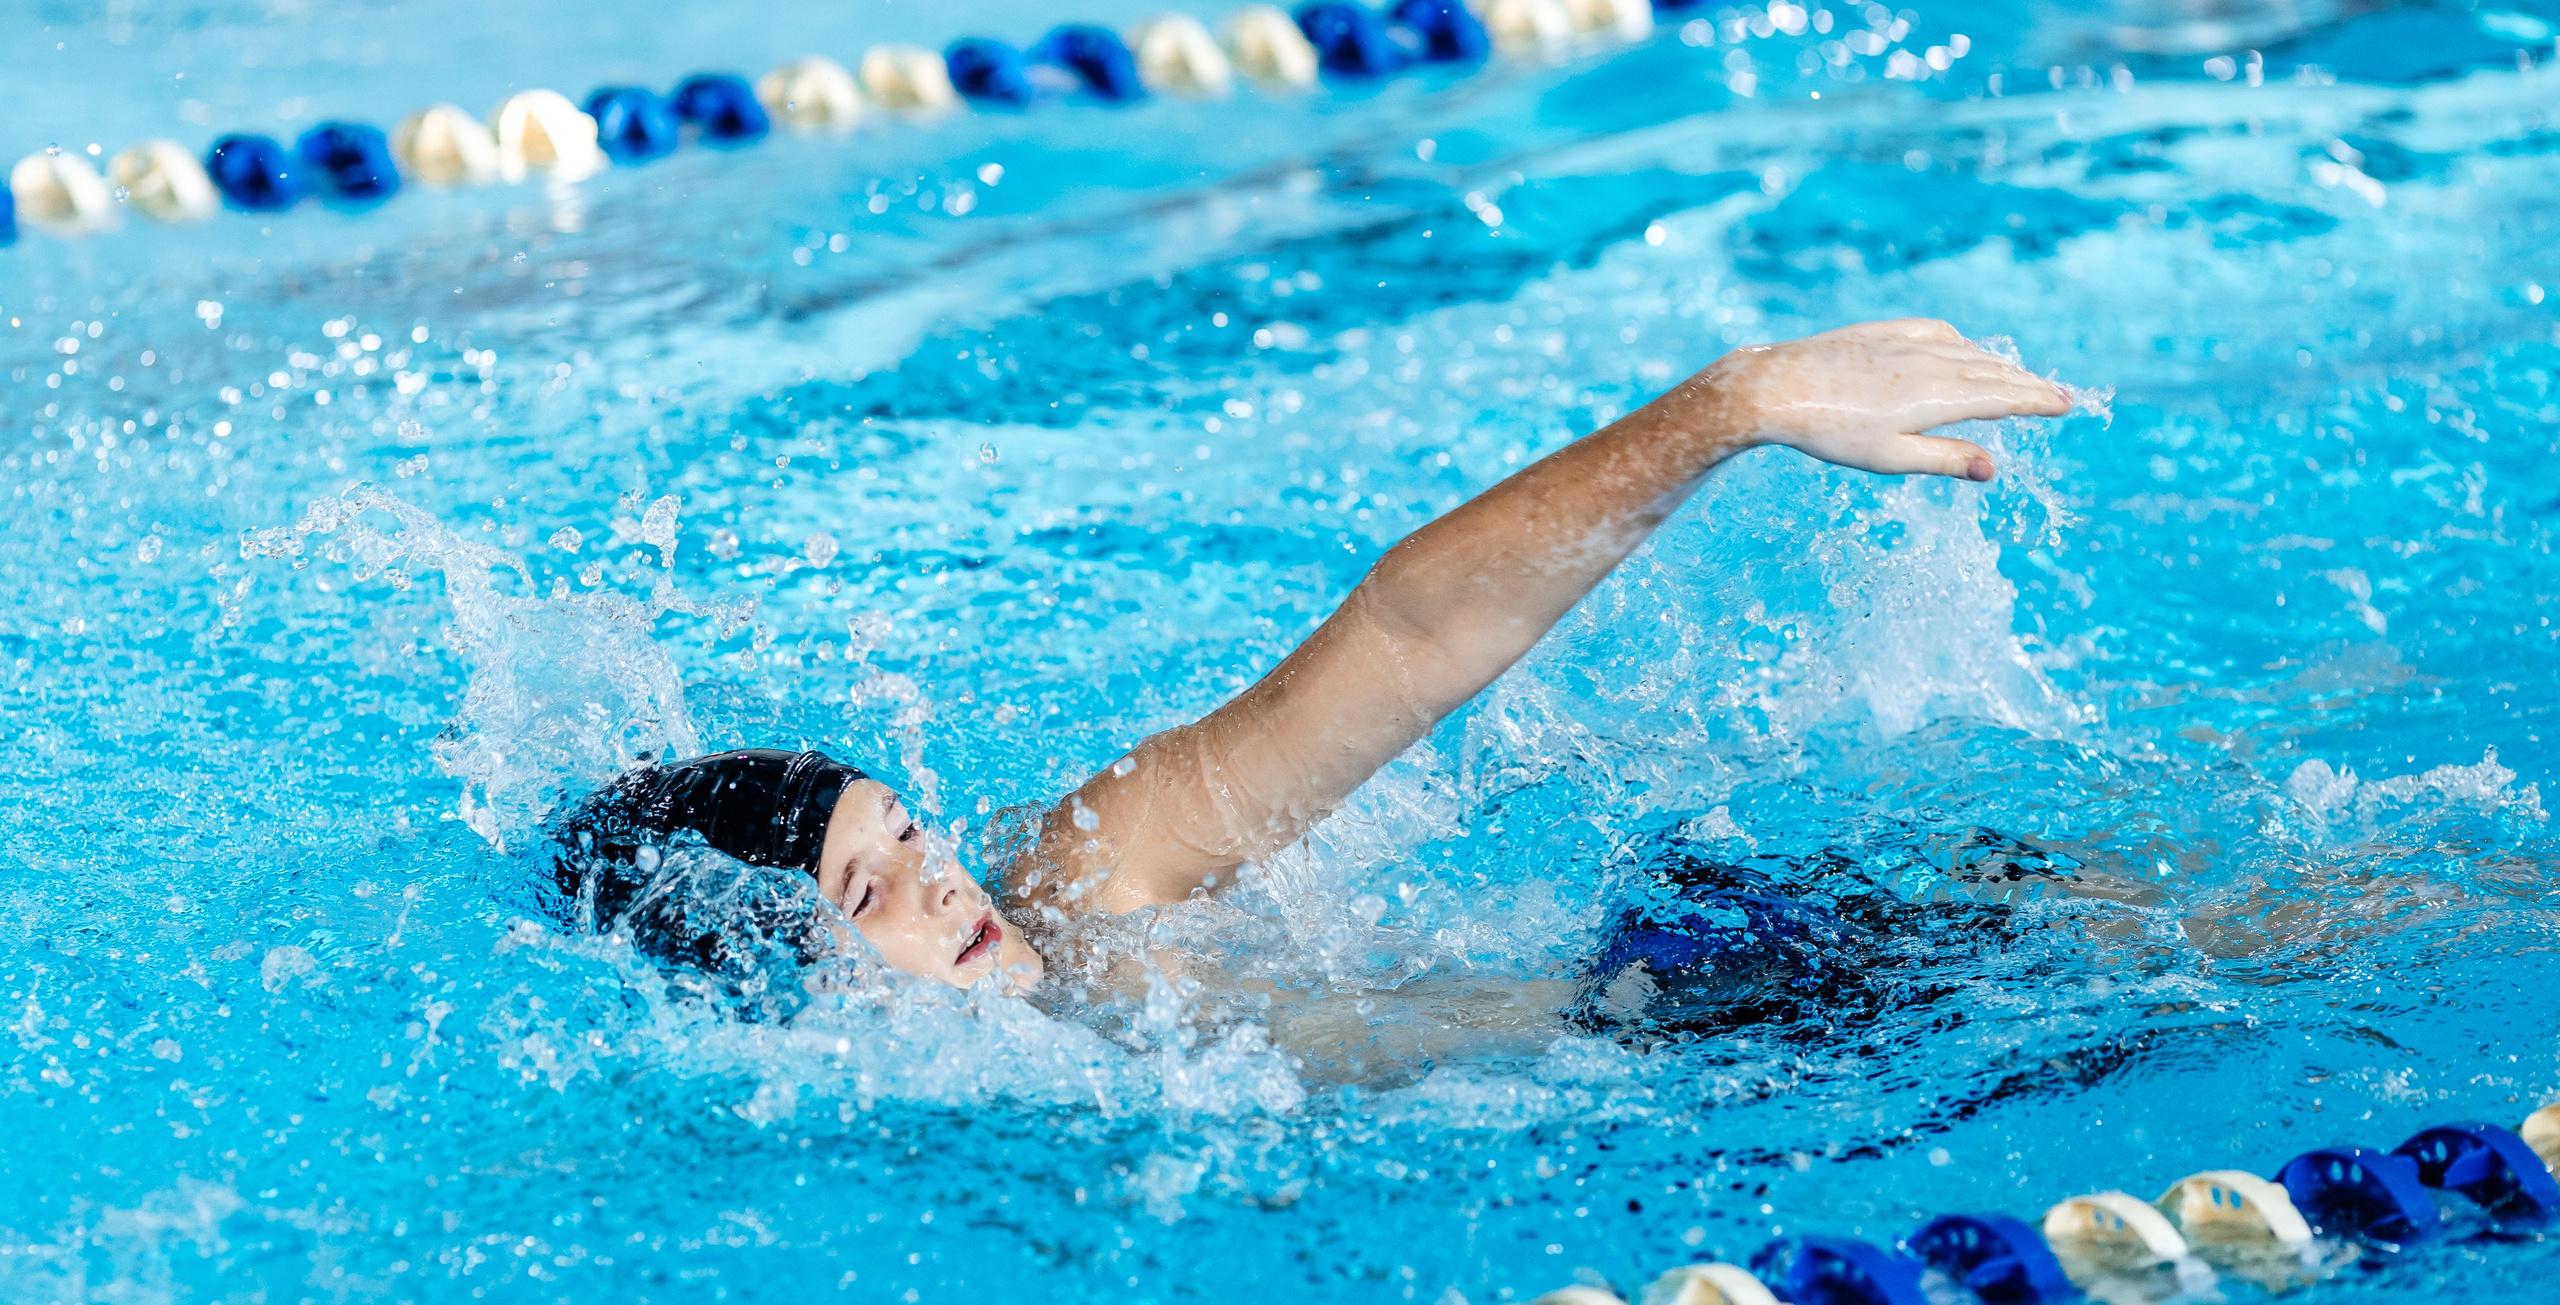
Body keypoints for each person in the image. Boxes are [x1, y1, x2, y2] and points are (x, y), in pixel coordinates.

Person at [550, 320, 2073, 1009]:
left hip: (1747, 986)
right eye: (866, 896)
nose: (948, 887)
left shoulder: (1081, 886)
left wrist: (1729, 408)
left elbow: (1402, 642)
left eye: (911, 837)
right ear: (759, 976)